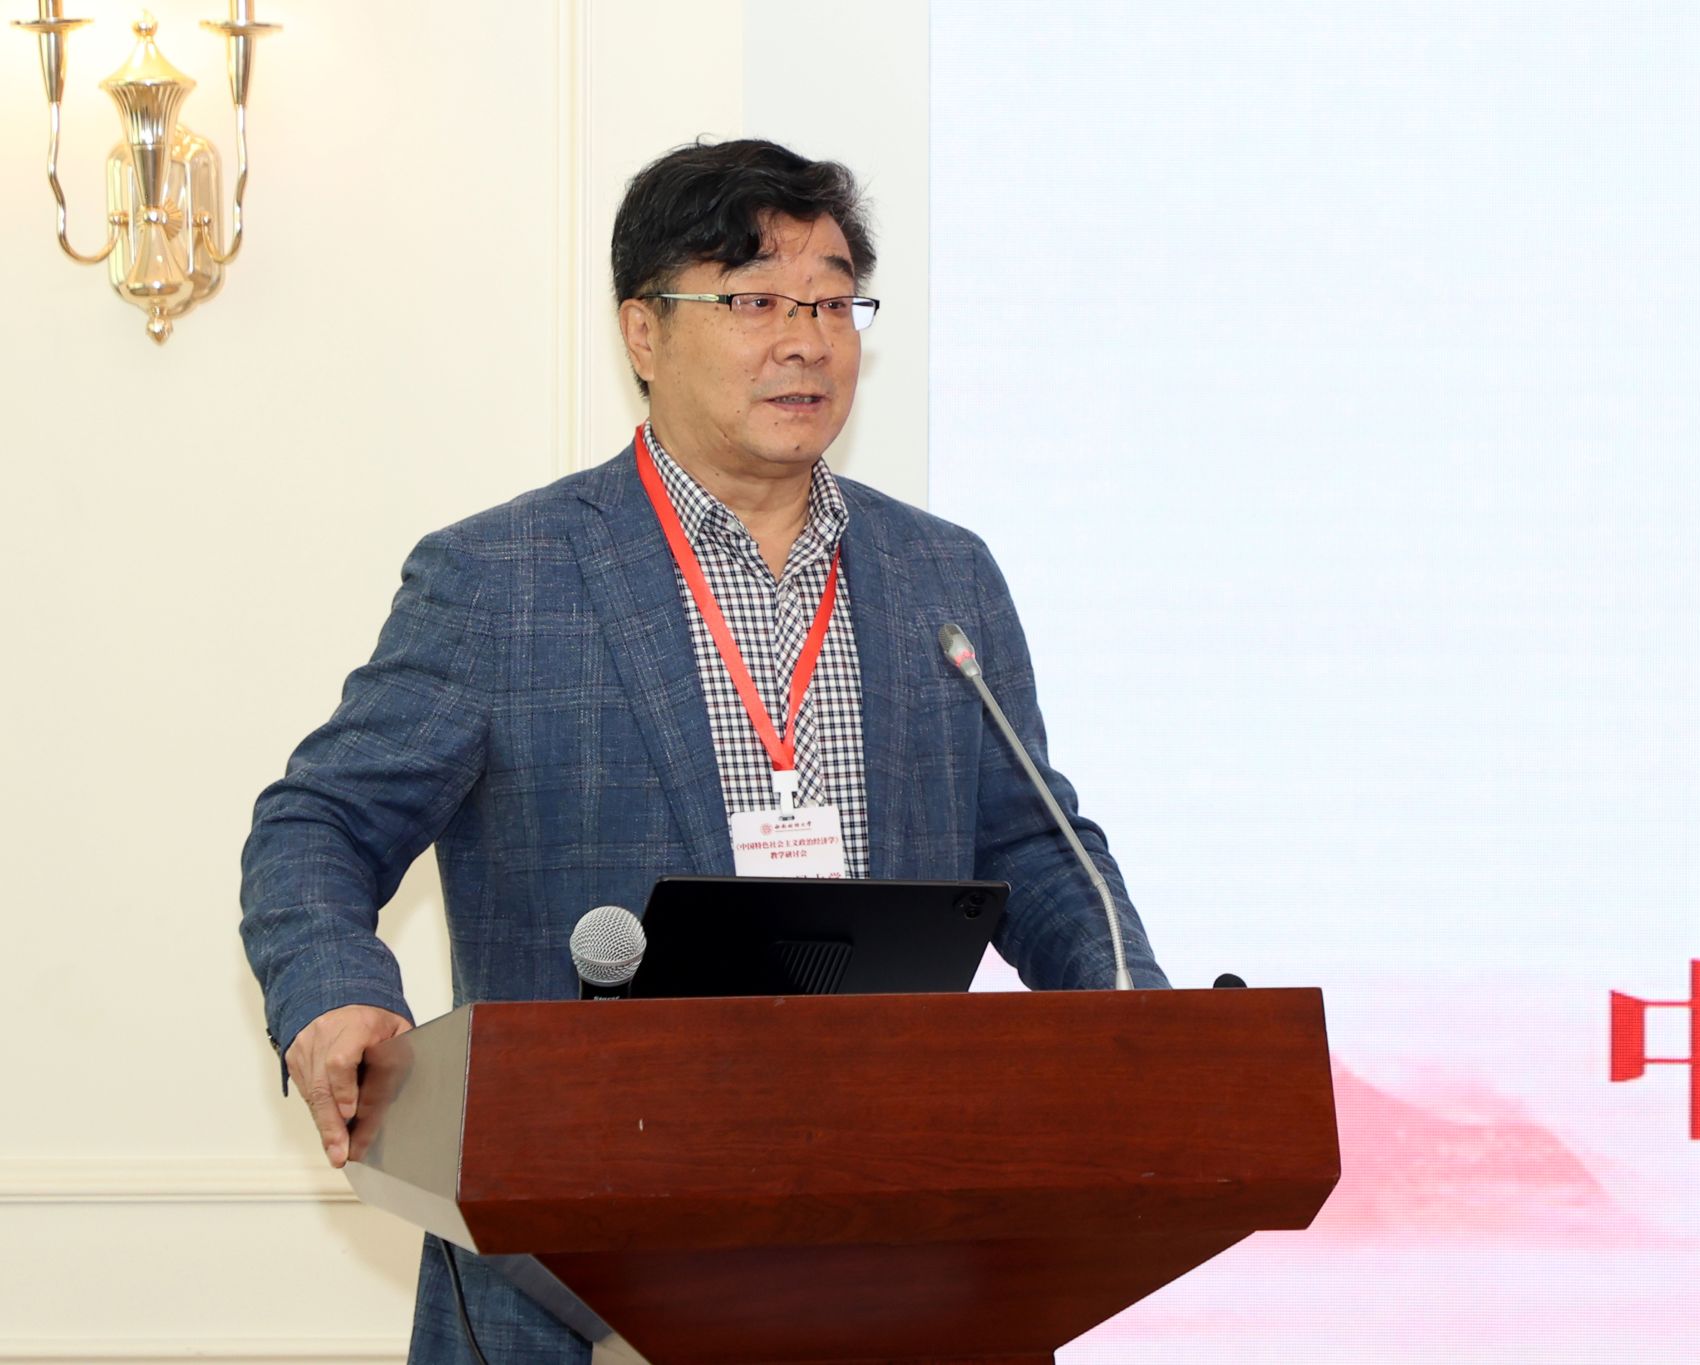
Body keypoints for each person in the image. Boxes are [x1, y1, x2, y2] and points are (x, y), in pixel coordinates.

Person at [238, 137, 1170, 1362]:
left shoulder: (941, 574)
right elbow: (319, 823)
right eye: (753, 301)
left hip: (902, 1236)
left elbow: (1035, 849)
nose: (806, 340)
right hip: (575, 1256)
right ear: (642, 331)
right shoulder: (499, 580)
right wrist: (337, 991)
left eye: (832, 303)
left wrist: (1144, 1026)